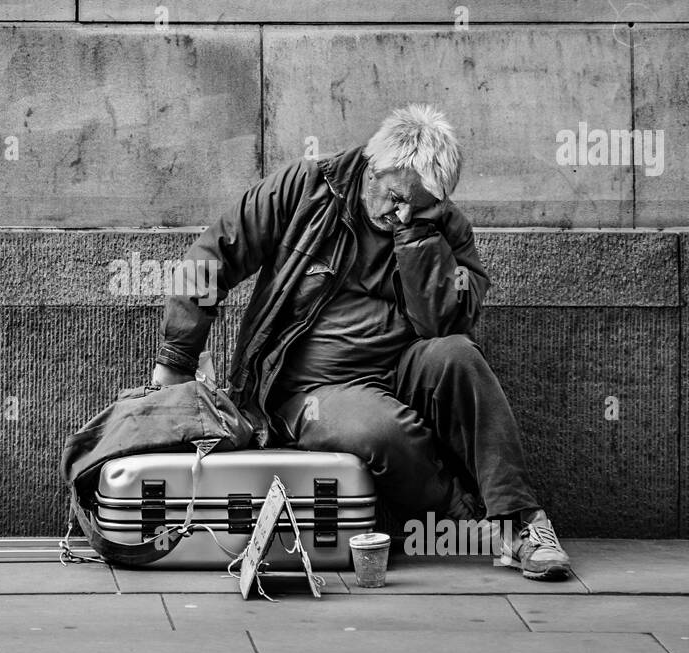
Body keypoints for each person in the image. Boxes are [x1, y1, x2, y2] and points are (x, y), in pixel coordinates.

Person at [149, 103, 571, 580]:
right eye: (395, 198)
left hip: (403, 367)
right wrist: (176, 359)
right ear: (373, 168)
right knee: (377, 430)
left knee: (459, 356)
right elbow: (212, 257)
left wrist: (418, 238)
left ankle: (521, 523)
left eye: (420, 205)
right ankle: (468, 522)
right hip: (305, 391)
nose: (401, 212)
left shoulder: (438, 223)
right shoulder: (309, 188)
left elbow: (446, 323)